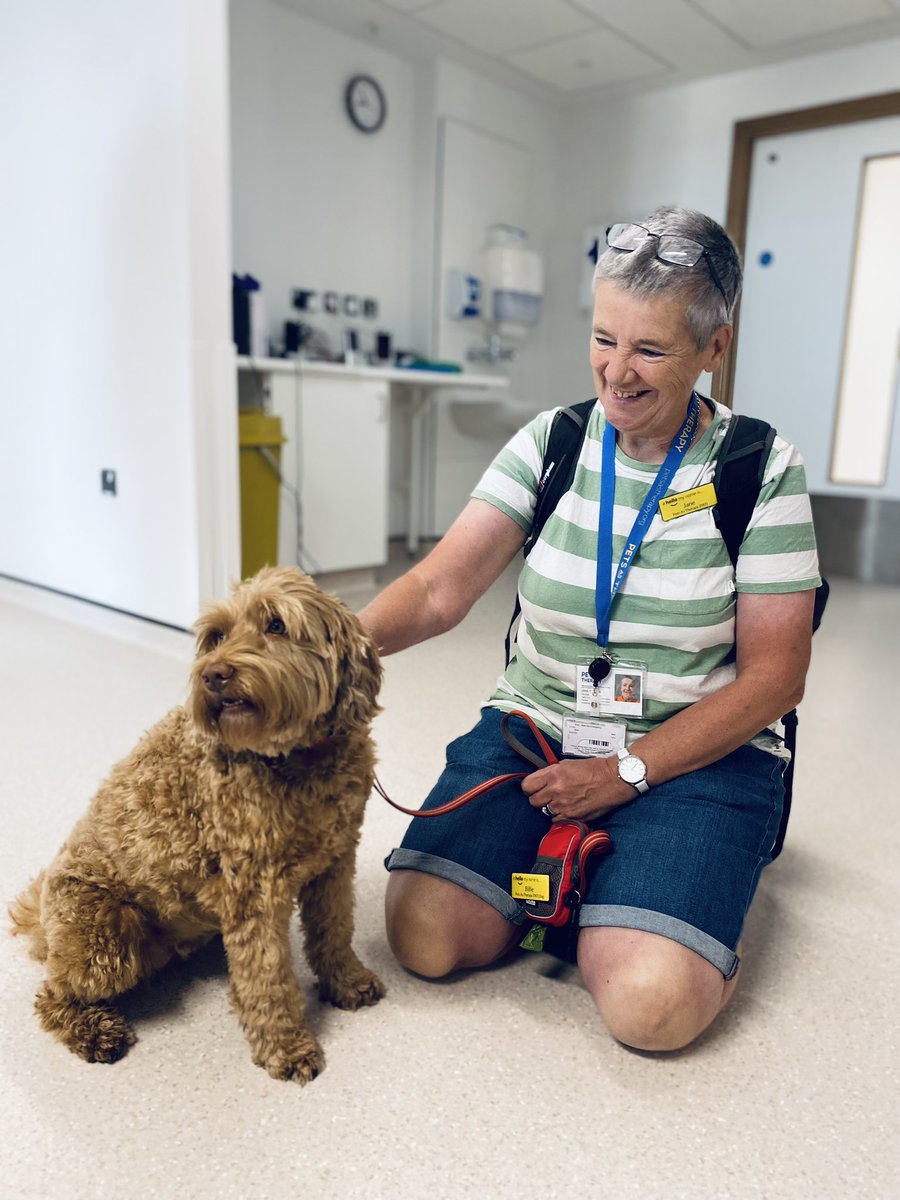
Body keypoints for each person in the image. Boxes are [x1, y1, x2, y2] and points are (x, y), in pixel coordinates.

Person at [358, 206, 820, 1053]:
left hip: (693, 749)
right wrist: (326, 649)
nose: (618, 373)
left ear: (714, 349)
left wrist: (625, 773)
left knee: (651, 1010)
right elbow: (437, 589)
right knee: (423, 938)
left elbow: (773, 680)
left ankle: (672, 897)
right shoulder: (556, 441)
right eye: (605, 338)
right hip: (538, 726)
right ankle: (601, 882)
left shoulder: (761, 469)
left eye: (650, 349)